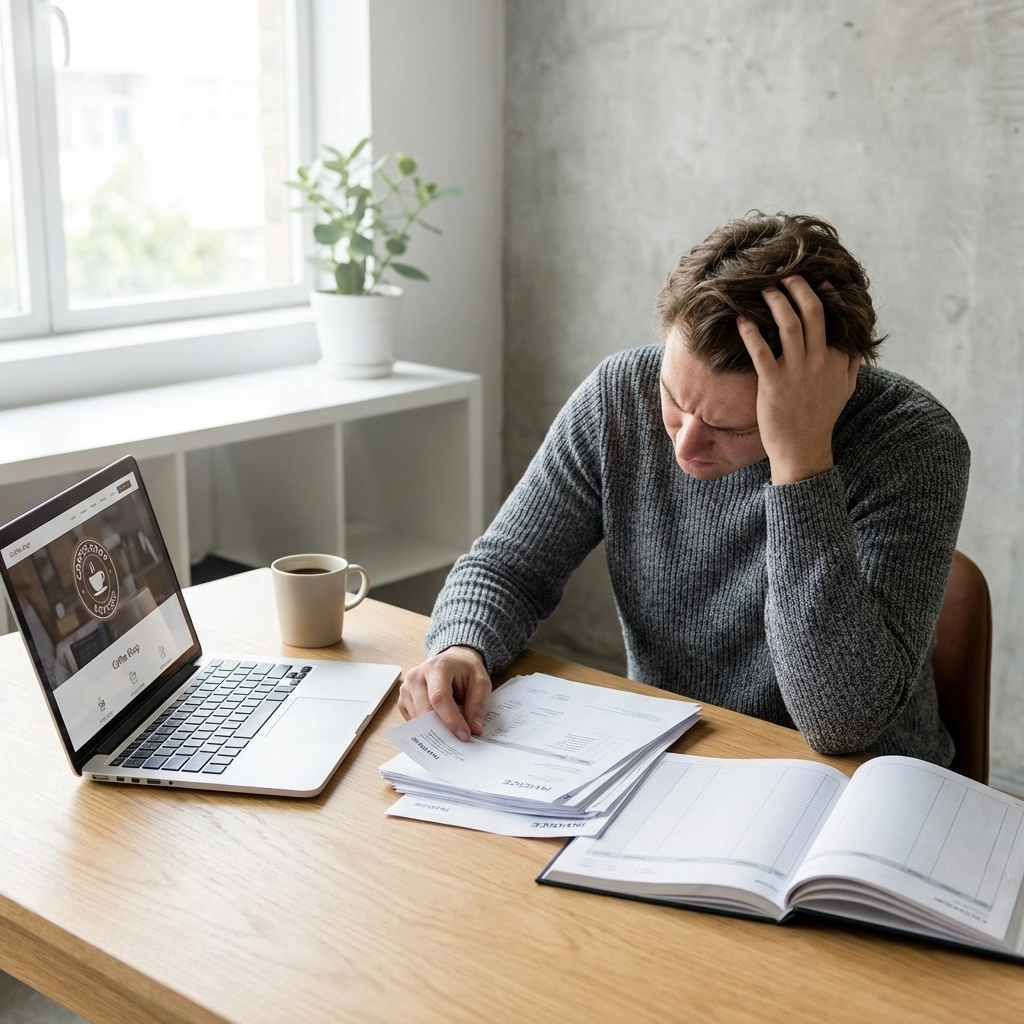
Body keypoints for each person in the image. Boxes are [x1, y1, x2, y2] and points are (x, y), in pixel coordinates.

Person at [398, 212, 970, 765]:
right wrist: (461, 646)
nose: (685, 447)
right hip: (676, 758)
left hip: (863, 786)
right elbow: (509, 566)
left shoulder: (914, 444)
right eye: (674, 397)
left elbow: (840, 721)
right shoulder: (619, 396)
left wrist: (800, 461)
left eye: (731, 427)